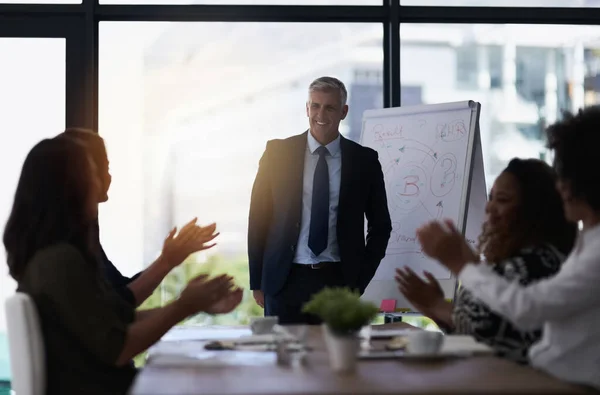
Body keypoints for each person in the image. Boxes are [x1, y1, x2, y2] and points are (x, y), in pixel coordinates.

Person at [4, 136, 242, 395]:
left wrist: (192, 305)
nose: (99, 183)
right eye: (94, 173)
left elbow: (119, 317)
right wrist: (184, 305)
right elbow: (118, 348)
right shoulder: (60, 261)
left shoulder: (53, 257)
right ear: (70, 187)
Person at [414, 106, 600, 389]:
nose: (560, 188)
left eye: (566, 175)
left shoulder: (580, 254)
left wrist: (463, 265)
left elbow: (526, 309)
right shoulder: (587, 241)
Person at [395, 158, 577, 362]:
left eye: (503, 200)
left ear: (535, 210)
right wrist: (435, 310)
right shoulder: (511, 259)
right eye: (491, 198)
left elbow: (490, 328)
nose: (490, 207)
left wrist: (439, 303)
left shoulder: (540, 263)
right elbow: (478, 335)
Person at [248, 76, 392, 324]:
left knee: (334, 360)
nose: (320, 113)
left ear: (344, 111)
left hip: (338, 284)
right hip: (284, 281)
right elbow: (258, 219)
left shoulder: (364, 161)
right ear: (307, 108)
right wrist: (257, 281)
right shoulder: (277, 154)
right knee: (283, 359)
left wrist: (359, 281)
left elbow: (381, 227)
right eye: (315, 106)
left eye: (330, 107)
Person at [59, 128, 217, 307]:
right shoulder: (65, 249)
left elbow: (120, 293)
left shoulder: (83, 232)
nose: (108, 177)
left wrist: (168, 260)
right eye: (104, 168)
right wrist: (167, 265)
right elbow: (117, 308)